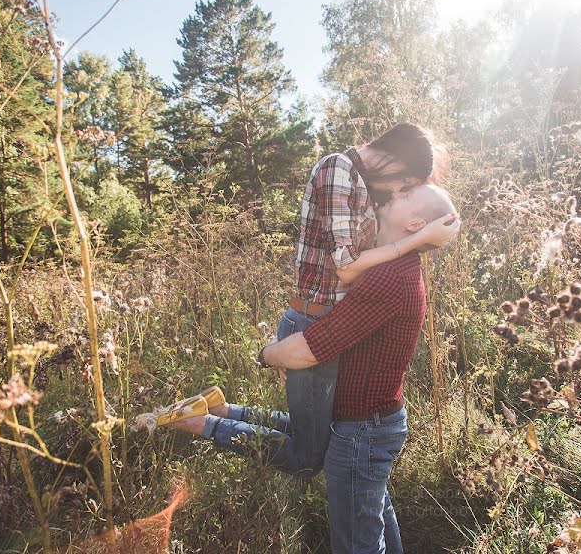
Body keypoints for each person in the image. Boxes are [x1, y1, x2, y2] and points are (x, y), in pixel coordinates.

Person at [173, 184, 458, 553]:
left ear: (415, 222)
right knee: (371, 518)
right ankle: (223, 413)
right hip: (364, 422)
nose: (393, 192)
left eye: (406, 194)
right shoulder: (387, 262)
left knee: (358, 543)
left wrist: (267, 354)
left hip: (363, 431)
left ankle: (211, 420)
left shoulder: (392, 277)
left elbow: (311, 350)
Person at [166, 123, 460, 477]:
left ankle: (222, 410)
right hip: (315, 320)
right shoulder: (338, 169)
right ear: (397, 159)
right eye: (405, 181)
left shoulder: (365, 182)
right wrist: (419, 239)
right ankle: (201, 423)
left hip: (332, 322)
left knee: (310, 433)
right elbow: (348, 269)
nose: (399, 190)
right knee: (307, 458)